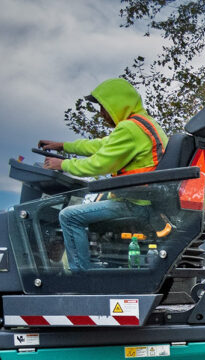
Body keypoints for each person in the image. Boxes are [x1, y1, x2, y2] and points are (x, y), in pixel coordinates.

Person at [39, 78, 167, 270]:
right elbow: (100, 145)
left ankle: (80, 277)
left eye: (103, 107)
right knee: (94, 203)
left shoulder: (129, 129)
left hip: (135, 204)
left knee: (68, 216)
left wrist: (62, 164)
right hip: (145, 201)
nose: (101, 114)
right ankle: (102, 264)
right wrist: (63, 146)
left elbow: (99, 164)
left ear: (117, 103)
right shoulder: (144, 125)